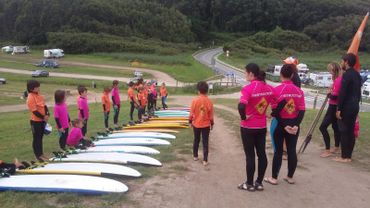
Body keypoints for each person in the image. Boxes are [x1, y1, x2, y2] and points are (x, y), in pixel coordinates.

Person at [265, 64, 305, 185]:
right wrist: (296, 125)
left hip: (280, 124)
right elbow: (302, 110)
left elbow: (276, 112)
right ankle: (290, 177)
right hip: (294, 124)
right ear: (292, 75)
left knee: (278, 151)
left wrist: (284, 125)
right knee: (292, 150)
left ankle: (274, 178)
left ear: (281, 75)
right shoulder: (299, 91)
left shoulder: (276, 90)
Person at [237, 63, 274, 192]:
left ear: (251, 74)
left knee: (250, 156)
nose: (245, 75)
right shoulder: (269, 88)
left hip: (248, 127)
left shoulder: (248, 89)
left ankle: (249, 184)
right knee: (262, 154)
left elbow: (241, 106)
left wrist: (243, 117)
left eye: (245, 72)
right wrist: (273, 113)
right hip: (261, 127)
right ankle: (259, 182)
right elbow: (281, 102)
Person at [334, 53, 362, 163]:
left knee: (344, 131)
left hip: (346, 107)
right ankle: (348, 156)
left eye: (342, 61)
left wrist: (339, 108)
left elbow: (342, 93)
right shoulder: (357, 75)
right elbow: (358, 93)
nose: (341, 63)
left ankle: (344, 157)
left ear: (346, 62)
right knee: (350, 131)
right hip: (355, 105)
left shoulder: (347, 75)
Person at [319, 63, 342, 157]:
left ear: (334, 71)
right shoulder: (339, 80)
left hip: (333, 107)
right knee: (335, 127)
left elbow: (334, 96)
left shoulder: (338, 80)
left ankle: (327, 150)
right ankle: (336, 147)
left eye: (331, 70)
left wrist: (329, 93)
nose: (330, 72)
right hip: (336, 106)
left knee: (322, 127)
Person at [189, 81, 214, 166]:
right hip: (206, 125)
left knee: (196, 139)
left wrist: (190, 121)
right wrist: (212, 123)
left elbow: (191, 113)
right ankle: (205, 160)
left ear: (198, 90)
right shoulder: (209, 101)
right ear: (206, 90)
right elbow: (211, 115)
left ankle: (195, 156)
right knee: (205, 142)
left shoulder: (194, 100)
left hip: (196, 124)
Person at [26, 80, 50, 162]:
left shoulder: (39, 95)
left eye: (38, 86)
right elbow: (34, 111)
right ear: (31, 89)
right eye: (37, 87)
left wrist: (47, 113)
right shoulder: (30, 97)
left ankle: (41, 154)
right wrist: (43, 117)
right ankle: (38, 156)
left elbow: (44, 106)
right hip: (35, 122)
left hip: (42, 121)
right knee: (36, 139)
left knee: (41, 138)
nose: (38, 88)